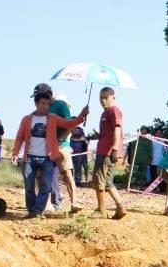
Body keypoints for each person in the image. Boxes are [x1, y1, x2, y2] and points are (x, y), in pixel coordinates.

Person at [11, 88, 89, 218]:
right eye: (43, 103)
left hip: (47, 158)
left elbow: (69, 123)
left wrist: (82, 116)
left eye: (48, 104)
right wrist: (15, 152)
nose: (46, 106)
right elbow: (19, 137)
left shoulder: (52, 118)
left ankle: (38, 210)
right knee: (29, 187)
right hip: (29, 158)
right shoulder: (27, 119)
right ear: (36, 103)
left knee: (46, 187)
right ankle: (31, 211)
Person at [93, 87, 127, 219]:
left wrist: (114, 148)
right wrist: (98, 135)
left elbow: (117, 129)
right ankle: (120, 207)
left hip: (106, 152)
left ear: (113, 97)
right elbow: (108, 132)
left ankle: (101, 209)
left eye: (106, 98)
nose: (103, 100)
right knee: (107, 182)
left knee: (98, 180)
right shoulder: (105, 113)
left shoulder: (113, 111)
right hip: (105, 149)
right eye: (101, 98)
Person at [46, 90, 81, 212]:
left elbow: (70, 125)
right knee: (49, 175)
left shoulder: (60, 106)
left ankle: (74, 202)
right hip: (50, 146)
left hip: (61, 145)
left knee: (66, 174)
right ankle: (52, 203)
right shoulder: (48, 109)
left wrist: (60, 139)